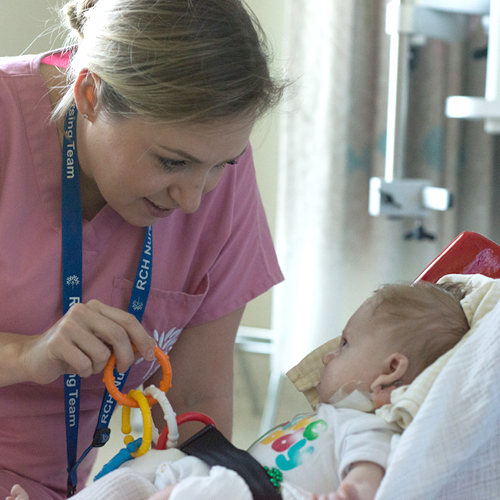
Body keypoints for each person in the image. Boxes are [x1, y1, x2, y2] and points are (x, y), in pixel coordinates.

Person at [0, 0, 285, 498]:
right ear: (89, 94)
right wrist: (27, 355)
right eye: (172, 163)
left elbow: (196, 411)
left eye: (223, 164)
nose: (194, 201)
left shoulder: (216, 170)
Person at [9, 280, 468, 500]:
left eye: (345, 344)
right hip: (238, 481)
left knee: (216, 486)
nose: (329, 356)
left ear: (390, 372)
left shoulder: (368, 428)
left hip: (264, 495)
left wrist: (352, 493)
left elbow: (370, 480)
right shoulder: (326, 419)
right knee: (133, 479)